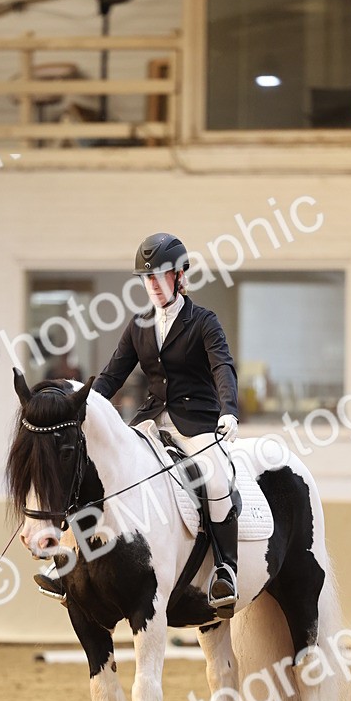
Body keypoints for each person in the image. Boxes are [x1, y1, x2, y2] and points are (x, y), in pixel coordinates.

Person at [35, 232, 240, 614]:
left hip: (195, 422)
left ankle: (225, 570)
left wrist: (229, 409)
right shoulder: (140, 325)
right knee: (107, 479)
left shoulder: (203, 322)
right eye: (148, 278)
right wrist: (75, 405)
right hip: (150, 420)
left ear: (180, 277)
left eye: (162, 276)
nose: (154, 285)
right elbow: (111, 376)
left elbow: (222, 368)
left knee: (213, 479)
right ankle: (67, 561)